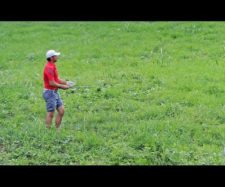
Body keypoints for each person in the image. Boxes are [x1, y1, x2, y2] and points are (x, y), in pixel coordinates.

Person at [42, 50, 69, 130]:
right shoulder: (49, 68)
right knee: (50, 113)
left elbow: (56, 79)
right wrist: (62, 86)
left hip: (55, 92)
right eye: (55, 55)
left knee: (61, 111)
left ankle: (57, 130)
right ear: (51, 58)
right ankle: (48, 132)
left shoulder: (53, 66)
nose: (57, 56)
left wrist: (67, 82)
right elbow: (52, 83)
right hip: (50, 93)